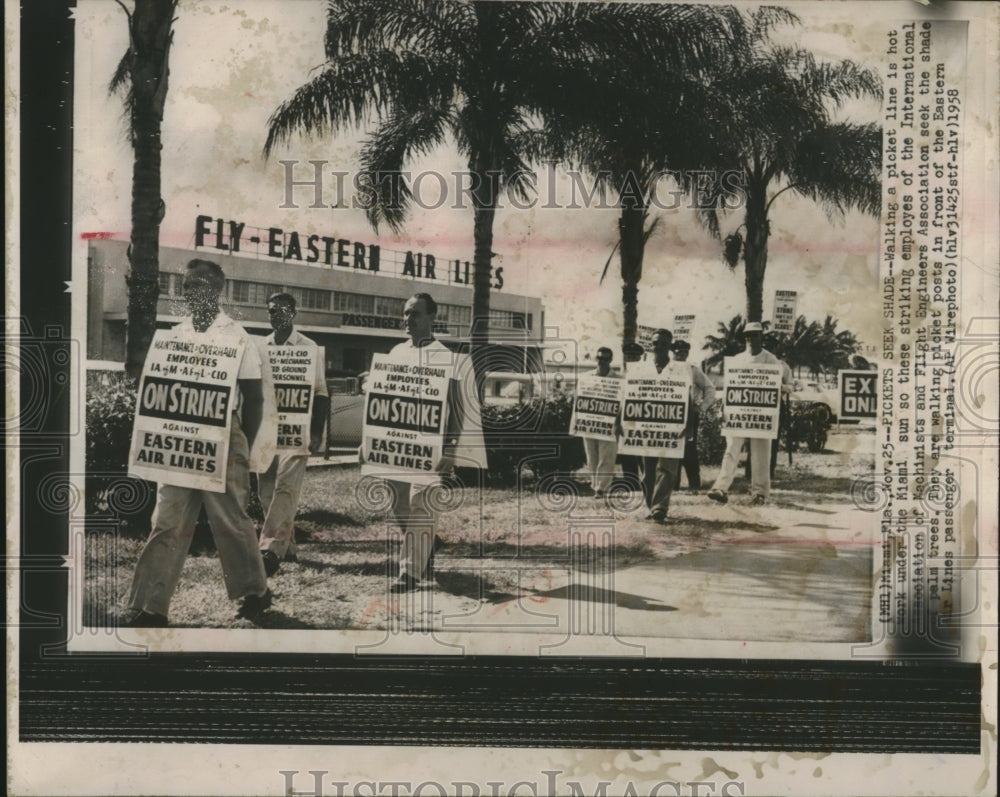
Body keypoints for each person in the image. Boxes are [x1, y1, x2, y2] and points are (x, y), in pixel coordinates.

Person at [123, 259, 272, 626]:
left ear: (218, 290)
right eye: (187, 286)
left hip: (225, 440)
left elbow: (253, 398)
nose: (192, 293)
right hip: (178, 444)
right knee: (166, 520)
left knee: (230, 520)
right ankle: (150, 607)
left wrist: (243, 448)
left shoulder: (237, 336)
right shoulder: (174, 335)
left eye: (200, 285)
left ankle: (255, 592)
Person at [374, 293, 472, 593]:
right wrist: (372, 441)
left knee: (423, 503)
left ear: (432, 318)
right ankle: (425, 549)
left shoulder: (446, 357)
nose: (408, 319)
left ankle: (410, 572)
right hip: (397, 445)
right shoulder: (395, 353)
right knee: (398, 501)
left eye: (415, 314)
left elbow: (457, 408)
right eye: (405, 313)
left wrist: (452, 449)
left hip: (432, 446)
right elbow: (382, 400)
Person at [258, 293, 330, 577]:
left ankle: (269, 551)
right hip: (264, 432)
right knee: (266, 492)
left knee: (285, 488)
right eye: (271, 311)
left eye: (281, 311)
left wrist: (315, 432)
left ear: (293, 313)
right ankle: (287, 550)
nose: (275, 316)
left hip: (296, 432)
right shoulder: (260, 345)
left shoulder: (308, 347)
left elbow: (321, 392)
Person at [707, 322, 792, 506]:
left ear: (761, 336)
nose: (750, 339)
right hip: (738, 413)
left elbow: (789, 385)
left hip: (763, 413)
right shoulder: (737, 359)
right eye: (747, 335)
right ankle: (721, 488)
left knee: (761, 454)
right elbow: (729, 386)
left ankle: (760, 493)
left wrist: (778, 387)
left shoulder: (771, 360)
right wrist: (724, 407)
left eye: (754, 335)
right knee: (731, 450)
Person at [671, 340, 716, 491]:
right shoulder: (666, 369)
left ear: (687, 354)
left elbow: (709, 388)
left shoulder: (693, 370)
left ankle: (694, 484)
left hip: (689, 414)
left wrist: (701, 407)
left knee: (689, 448)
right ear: (673, 353)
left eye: (684, 353)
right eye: (678, 353)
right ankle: (673, 484)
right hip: (669, 414)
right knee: (671, 447)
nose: (680, 356)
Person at [581, 347, 620, 499]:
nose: (602, 361)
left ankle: (601, 488)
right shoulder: (586, 377)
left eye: (605, 359)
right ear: (596, 359)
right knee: (592, 456)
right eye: (599, 358)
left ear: (610, 360)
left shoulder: (618, 379)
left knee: (607, 456)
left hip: (610, 423)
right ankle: (595, 484)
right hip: (590, 423)